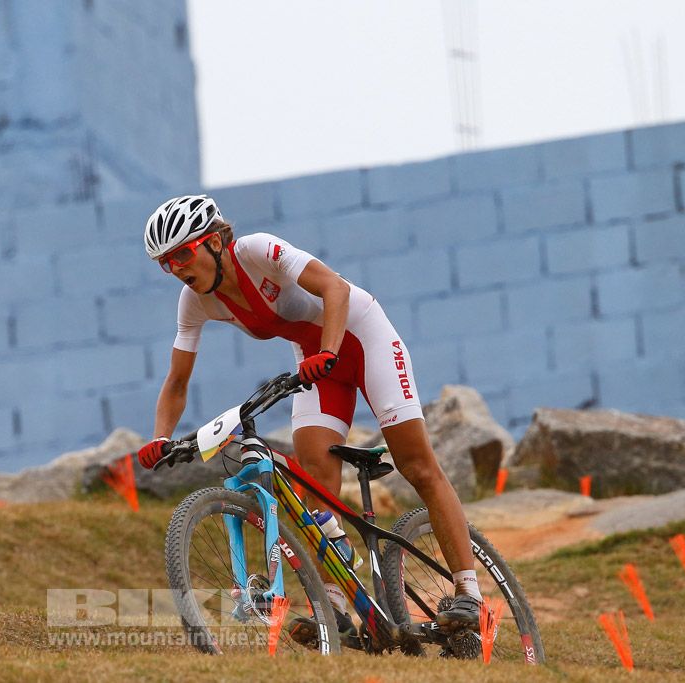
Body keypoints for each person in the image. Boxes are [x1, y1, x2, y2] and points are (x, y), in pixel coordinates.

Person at [136, 194, 481, 632]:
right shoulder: (194, 302)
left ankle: (468, 593)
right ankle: (335, 611)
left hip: (362, 339)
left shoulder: (258, 250)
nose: (178, 269)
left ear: (215, 242)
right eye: (166, 263)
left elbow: (334, 288)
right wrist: (159, 438)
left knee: (418, 466)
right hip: (317, 361)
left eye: (183, 254)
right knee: (314, 477)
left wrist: (329, 352)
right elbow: (177, 382)